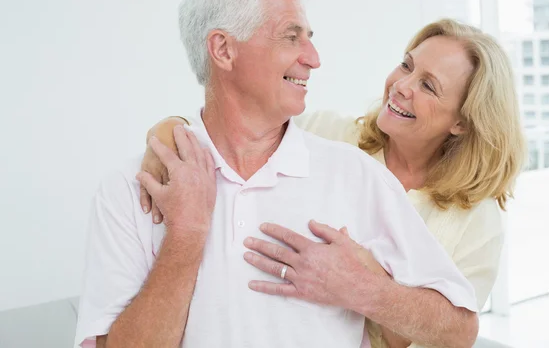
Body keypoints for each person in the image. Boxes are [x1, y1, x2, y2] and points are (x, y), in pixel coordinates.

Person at [74, 0, 479, 348]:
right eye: (291, 36)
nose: (314, 59)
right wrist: (187, 234)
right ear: (223, 49)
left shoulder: (354, 174)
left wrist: (361, 289)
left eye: (310, 38)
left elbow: (460, 330)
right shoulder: (134, 190)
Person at [141, 20, 527, 348]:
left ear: (461, 121)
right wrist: (168, 129)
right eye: (405, 65)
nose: (401, 85)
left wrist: (361, 285)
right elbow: (237, 130)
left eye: (428, 86)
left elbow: (451, 334)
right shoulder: (329, 135)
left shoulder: (476, 217)